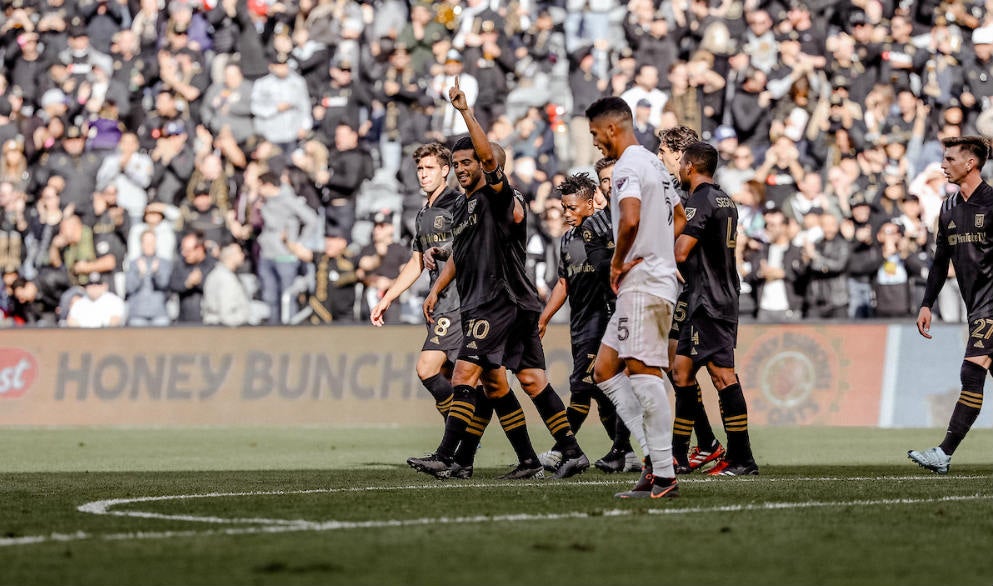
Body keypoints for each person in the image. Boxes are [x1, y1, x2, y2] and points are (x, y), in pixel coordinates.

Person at [411, 77, 588, 480]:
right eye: (455, 165)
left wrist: (465, 112)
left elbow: (490, 161)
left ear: (488, 163)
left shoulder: (499, 195)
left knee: (463, 373)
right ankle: (559, 454)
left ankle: (447, 455)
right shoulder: (463, 207)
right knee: (520, 380)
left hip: (499, 300)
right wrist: (437, 285)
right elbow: (460, 252)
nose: (460, 170)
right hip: (506, 302)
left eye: (467, 162)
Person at [370, 142, 492, 477]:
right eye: (420, 169)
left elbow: (471, 244)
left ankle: (454, 445)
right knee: (469, 385)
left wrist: (443, 251)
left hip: (459, 300)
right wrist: (388, 296)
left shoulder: (458, 203)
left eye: (429, 168)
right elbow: (414, 262)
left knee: (427, 368)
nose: (423, 174)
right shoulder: (423, 213)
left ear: (445, 170)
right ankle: (463, 451)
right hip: (440, 302)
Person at [586, 96, 682, 499]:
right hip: (653, 278)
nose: (595, 143)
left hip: (642, 282)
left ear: (611, 129)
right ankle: (655, 460)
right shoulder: (655, 164)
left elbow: (629, 218)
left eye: (595, 134)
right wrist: (662, 251)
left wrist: (618, 262)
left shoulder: (626, 165)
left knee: (643, 373)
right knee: (605, 370)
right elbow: (678, 218)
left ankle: (663, 473)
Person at [536, 172, 639, 474]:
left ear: (591, 201)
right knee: (600, 393)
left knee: (581, 385)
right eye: (564, 208)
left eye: (572, 207)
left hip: (604, 319)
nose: (567, 214)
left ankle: (563, 451)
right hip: (579, 322)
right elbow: (564, 282)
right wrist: (544, 318)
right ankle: (626, 454)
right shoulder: (567, 238)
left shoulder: (607, 228)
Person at [672, 141, 759, 477]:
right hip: (711, 295)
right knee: (681, 371)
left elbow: (681, 251)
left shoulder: (700, 200)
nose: (678, 169)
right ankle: (679, 456)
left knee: (723, 377)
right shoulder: (725, 198)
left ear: (691, 166)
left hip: (708, 300)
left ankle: (742, 458)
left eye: (681, 164)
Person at [909, 136, 993, 474]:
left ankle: (944, 453)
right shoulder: (947, 207)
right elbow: (941, 260)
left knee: (971, 370)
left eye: (949, 159)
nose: (942, 165)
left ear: (970, 163)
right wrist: (927, 302)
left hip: (992, 305)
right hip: (976, 304)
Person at [202, 242, 255, 327]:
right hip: (225, 331)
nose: (243, 255)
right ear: (230, 256)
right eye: (240, 252)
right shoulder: (225, 278)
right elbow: (226, 315)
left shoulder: (222, 274)